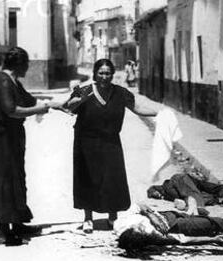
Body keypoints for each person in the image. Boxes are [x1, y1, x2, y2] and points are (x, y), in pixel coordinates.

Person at [64, 59, 159, 234]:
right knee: (88, 178)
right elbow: (68, 108)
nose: (104, 77)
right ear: (95, 73)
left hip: (110, 141)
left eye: (108, 73)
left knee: (112, 178)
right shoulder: (85, 90)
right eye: (101, 73)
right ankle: (88, 219)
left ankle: (112, 217)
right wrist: (80, 99)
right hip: (86, 142)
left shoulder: (120, 93)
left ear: (112, 74)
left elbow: (137, 107)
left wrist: (160, 112)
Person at [0, 47, 68, 245]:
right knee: (5, 180)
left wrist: (60, 106)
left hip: (11, 137)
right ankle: (5, 233)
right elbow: (12, 110)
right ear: (18, 64)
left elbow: (31, 100)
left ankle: (17, 223)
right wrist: (39, 109)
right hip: (0, 138)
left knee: (16, 178)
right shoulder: (3, 81)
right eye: (27, 64)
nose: (28, 67)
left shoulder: (12, 81)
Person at [115, 202, 223, 251]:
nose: (145, 230)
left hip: (164, 215)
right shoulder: (150, 237)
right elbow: (184, 241)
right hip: (175, 225)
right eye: (144, 233)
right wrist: (211, 240)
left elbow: (138, 204)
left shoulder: (120, 223)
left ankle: (191, 210)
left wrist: (151, 215)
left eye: (141, 229)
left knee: (200, 215)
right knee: (210, 224)